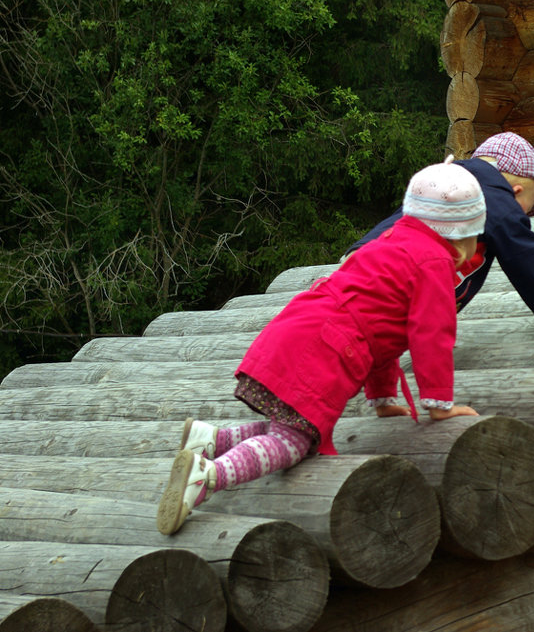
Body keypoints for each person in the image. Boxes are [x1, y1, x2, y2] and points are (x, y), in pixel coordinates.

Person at [157, 158, 487, 535]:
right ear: (463, 232)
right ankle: (208, 476)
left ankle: (211, 439)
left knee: (292, 418)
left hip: (301, 325)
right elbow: (431, 334)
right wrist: (439, 403)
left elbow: (385, 332)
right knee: (296, 440)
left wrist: (381, 399)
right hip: (327, 348)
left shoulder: (391, 242)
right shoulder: (433, 262)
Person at [346, 131, 534, 322]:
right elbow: (524, 258)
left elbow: (401, 217)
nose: (524, 216)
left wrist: (360, 250)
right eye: (528, 207)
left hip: (366, 256)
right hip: (401, 280)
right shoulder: (499, 202)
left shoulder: (443, 181)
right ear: (516, 193)